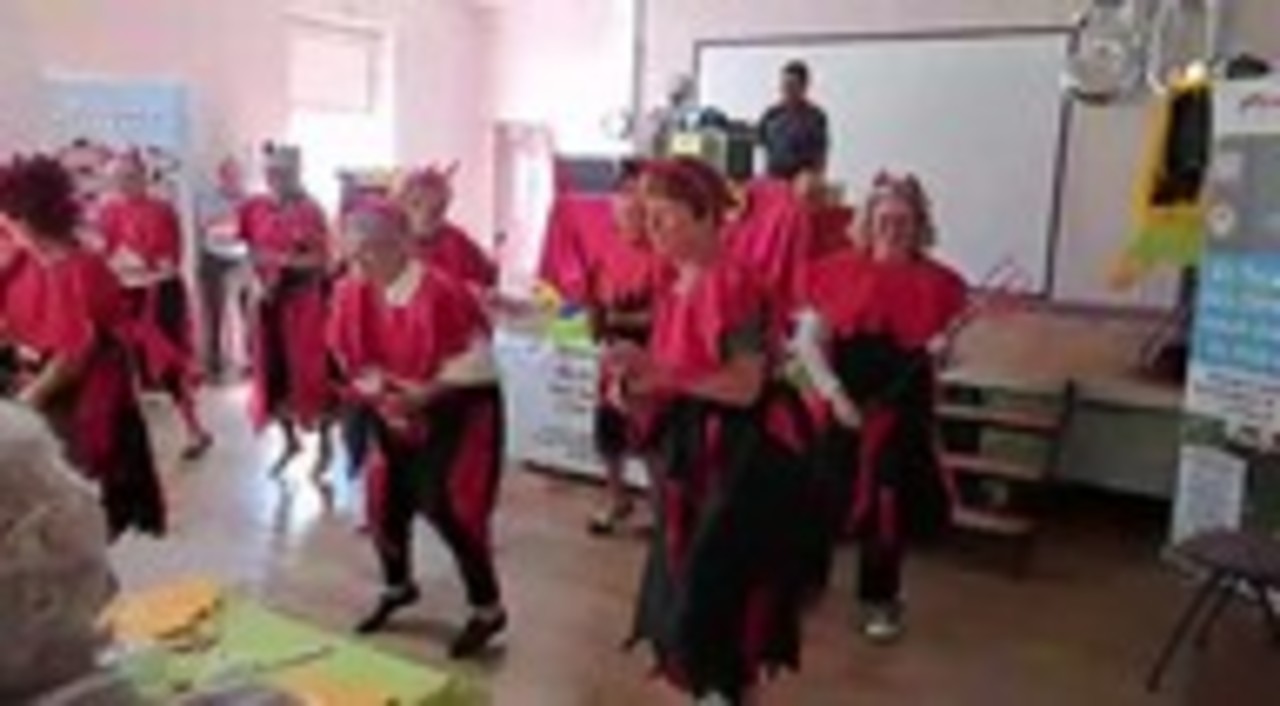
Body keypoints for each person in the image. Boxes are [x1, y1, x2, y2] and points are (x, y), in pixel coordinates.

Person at [612, 158, 825, 705]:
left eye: (663, 216)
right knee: (683, 573)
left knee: (720, 582)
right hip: (696, 446)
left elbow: (745, 386)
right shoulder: (676, 279)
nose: (651, 228)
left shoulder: (735, 282)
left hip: (743, 452)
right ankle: (709, 686)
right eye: (648, 216)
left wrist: (661, 375)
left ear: (706, 215)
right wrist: (636, 381)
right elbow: (680, 368)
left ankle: (724, 688)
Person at [328, 197, 507, 659]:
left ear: (401, 245)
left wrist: (420, 396)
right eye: (353, 250)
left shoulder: (442, 291)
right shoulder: (351, 290)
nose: (361, 261)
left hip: (455, 409)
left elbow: (478, 366)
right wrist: (380, 393)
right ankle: (398, 585)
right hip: (393, 406)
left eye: (371, 249)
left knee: (451, 509)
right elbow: (348, 354)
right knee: (385, 502)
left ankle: (488, 608)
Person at [793, 172, 967, 643]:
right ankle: (806, 583)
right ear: (868, 221)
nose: (893, 228)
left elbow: (944, 361)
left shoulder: (941, 284)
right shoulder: (835, 272)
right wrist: (834, 395)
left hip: (902, 417)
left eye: (903, 221)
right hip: (844, 408)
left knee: (888, 511)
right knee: (821, 498)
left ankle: (880, 600)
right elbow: (807, 344)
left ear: (919, 225)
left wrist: (942, 350)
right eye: (884, 219)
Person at [0, 154, 165, 538]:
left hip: (81, 402)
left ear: (23, 218)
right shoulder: (21, 262)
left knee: (73, 504)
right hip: (42, 386)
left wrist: (22, 406)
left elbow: (72, 358)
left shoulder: (81, 269)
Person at [96, 152, 212, 459]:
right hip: (123, 296)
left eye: (130, 177)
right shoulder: (108, 211)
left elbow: (169, 259)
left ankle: (194, 430)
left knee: (171, 364)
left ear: (144, 177)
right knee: (119, 365)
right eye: (118, 178)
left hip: (159, 295)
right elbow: (103, 253)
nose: (124, 183)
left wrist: (139, 262)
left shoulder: (162, 210)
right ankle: (125, 439)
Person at [238, 144, 335, 483]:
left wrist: (281, 261)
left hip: (305, 304)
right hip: (268, 304)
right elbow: (247, 249)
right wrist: (256, 279)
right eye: (270, 173)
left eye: (282, 173)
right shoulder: (255, 207)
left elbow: (321, 260)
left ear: (297, 173)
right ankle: (289, 441)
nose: (275, 179)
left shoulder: (311, 210)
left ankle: (325, 445)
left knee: (312, 375)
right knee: (273, 375)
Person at [585, 159, 666, 536]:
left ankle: (661, 510)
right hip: (612, 356)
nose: (629, 205)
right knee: (608, 433)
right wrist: (596, 319)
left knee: (652, 438)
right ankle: (616, 498)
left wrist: (622, 319)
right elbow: (595, 297)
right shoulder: (607, 249)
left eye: (639, 196)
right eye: (623, 195)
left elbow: (671, 314)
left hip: (652, 358)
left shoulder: (664, 253)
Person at [395, 164, 497, 291]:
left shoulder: (457, 240)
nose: (424, 215)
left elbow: (488, 278)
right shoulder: (387, 244)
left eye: (436, 209)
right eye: (416, 204)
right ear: (401, 203)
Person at [758, 61, 830, 182]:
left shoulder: (815, 117)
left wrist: (816, 180)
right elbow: (759, 142)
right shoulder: (771, 115)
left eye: (792, 84)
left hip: (801, 180)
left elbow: (820, 157)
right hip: (773, 178)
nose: (786, 89)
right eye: (784, 84)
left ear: (804, 87)